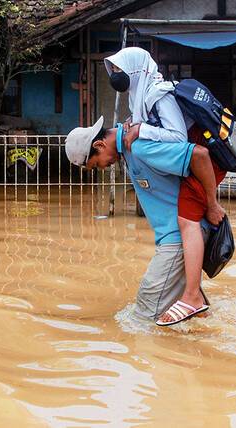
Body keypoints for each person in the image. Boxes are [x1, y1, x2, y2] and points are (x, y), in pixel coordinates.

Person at [103, 47, 227, 326]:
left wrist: (141, 131)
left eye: (120, 71)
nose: (116, 77)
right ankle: (199, 311)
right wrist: (137, 126)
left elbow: (177, 136)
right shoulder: (142, 98)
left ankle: (192, 296)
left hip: (204, 159)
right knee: (186, 222)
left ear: (136, 70)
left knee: (186, 221)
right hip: (196, 160)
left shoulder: (157, 93)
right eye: (113, 72)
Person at [64, 116, 218, 324]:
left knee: (143, 316)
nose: (102, 168)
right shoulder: (129, 148)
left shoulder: (139, 147)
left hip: (178, 239)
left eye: (95, 164)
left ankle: (146, 356)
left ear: (99, 145)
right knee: (195, 318)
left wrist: (212, 205)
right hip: (177, 238)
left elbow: (199, 155)